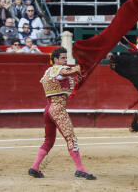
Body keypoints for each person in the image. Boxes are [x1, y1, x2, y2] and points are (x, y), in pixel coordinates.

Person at [28, 47, 96, 180]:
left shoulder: (48, 71)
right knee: (71, 139)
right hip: (58, 109)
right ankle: (80, 169)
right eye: (63, 58)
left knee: (49, 141)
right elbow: (68, 71)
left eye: (66, 58)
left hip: (48, 110)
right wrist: (85, 64)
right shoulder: (58, 69)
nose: (65, 61)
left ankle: (34, 167)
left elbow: (67, 76)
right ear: (55, 60)